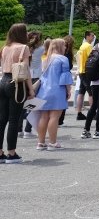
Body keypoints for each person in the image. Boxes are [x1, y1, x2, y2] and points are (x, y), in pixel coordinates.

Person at [0, 23, 34, 163]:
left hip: (3, 81)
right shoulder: (23, 48)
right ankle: (12, 153)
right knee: (14, 119)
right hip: (17, 84)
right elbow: (25, 71)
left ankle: (0, 152)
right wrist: (31, 90)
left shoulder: (5, 48)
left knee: (2, 119)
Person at [33, 38, 73, 150]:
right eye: (64, 46)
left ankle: (40, 143)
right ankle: (53, 142)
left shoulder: (45, 59)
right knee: (54, 117)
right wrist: (68, 90)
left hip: (44, 91)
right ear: (60, 46)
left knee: (44, 116)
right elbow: (65, 77)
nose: (65, 48)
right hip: (57, 90)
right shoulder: (63, 59)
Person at [22, 31, 44, 138]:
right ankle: (28, 130)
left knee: (22, 103)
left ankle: (19, 130)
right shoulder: (41, 49)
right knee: (33, 103)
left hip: (25, 75)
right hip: (36, 76)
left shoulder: (24, 48)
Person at [75, 30, 95, 120]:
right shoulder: (88, 46)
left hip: (81, 72)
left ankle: (79, 113)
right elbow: (92, 59)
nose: (93, 37)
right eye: (92, 35)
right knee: (91, 93)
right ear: (87, 36)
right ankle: (93, 113)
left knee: (81, 92)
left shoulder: (82, 46)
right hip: (87, 72)